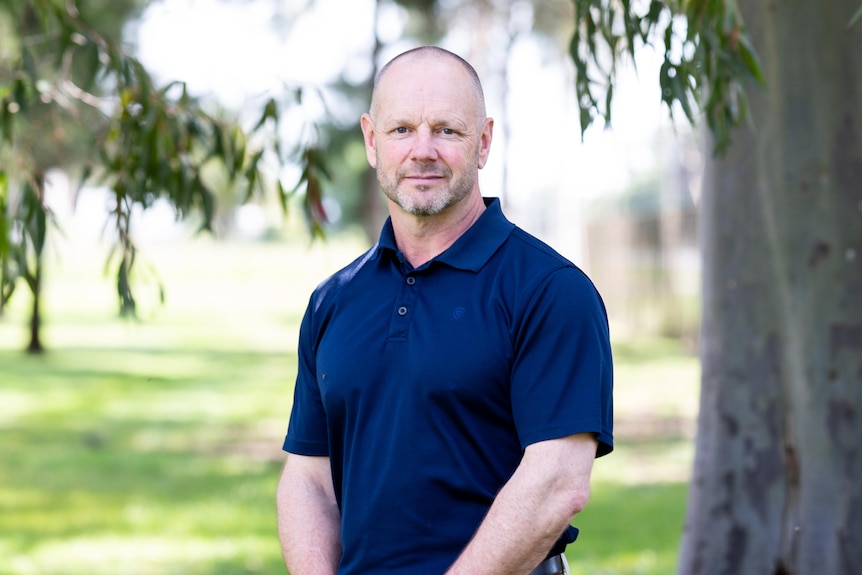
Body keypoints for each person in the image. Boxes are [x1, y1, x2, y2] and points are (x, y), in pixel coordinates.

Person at [276, 45, 613, 575]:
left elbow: (557, 483)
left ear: (483, 143)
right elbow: (309, 477)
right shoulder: (333, 302)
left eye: (447, 131)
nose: (423, 150)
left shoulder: (551, 292)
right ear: (371, 140)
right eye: (402, 129)